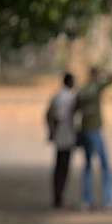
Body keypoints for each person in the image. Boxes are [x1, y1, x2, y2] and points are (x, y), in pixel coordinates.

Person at [76, 66, 112, 209]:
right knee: (105, 165)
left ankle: (86, 200)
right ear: (96, 75)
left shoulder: (82, 90)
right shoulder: (95, 87)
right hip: (95, 131)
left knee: (87, 165)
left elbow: (75, 108)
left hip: (84, 130)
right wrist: (106, 75)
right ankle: (108, 200)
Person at [45, 72, 77, 208]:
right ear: (69, 82)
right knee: (64, 168)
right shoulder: (72, 97)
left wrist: (51, 131)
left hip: (58, 135)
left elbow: (48, 115)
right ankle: (60, 196)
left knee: (58, 166)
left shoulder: (57, 96)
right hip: (68, 135)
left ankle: (57, 196)